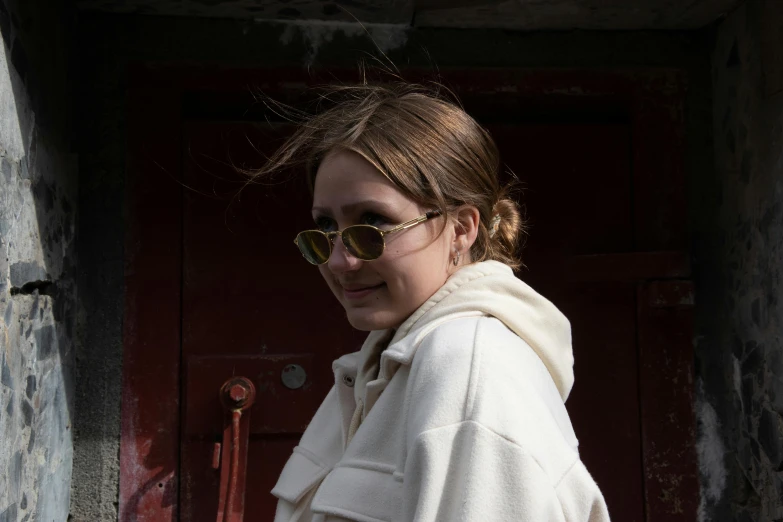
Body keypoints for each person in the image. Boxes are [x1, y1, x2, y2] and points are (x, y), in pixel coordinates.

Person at [257, 81, 610, 521]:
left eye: (373, 222)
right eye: (325, 228)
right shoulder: (375, 368)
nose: (340, 260)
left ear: (461, 229)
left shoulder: (467, 365)